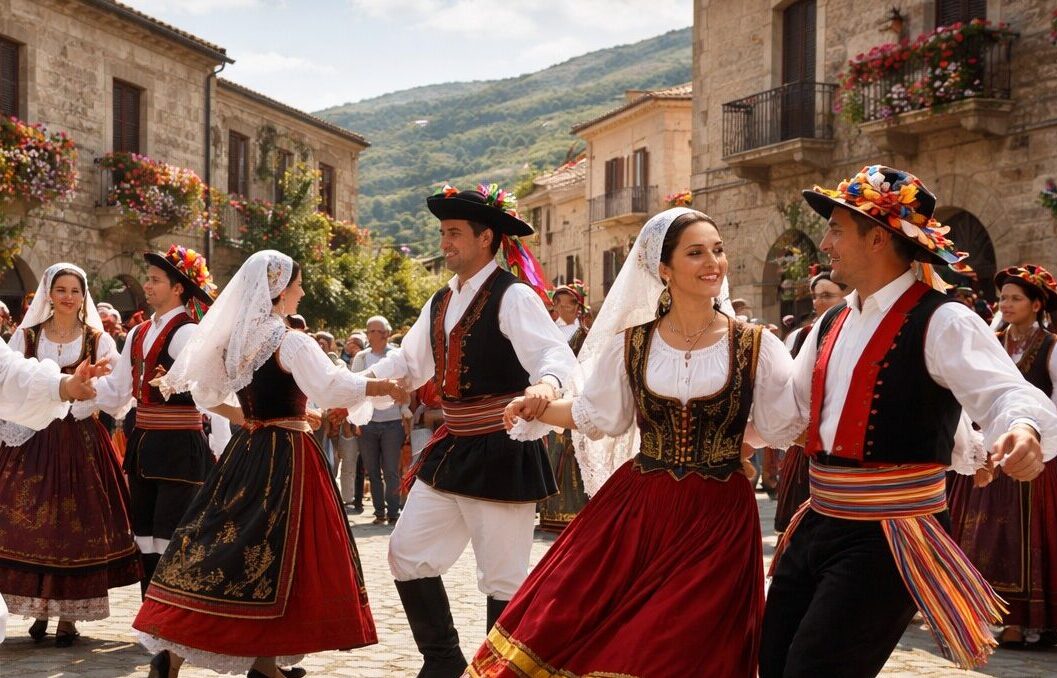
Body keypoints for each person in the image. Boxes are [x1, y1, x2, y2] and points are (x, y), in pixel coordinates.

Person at [464, 208, 800, 677]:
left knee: (682, 643)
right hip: (640, 511)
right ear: (664, 269)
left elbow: (785, 422)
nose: (713, 263)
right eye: (696, 252)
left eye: (718, 250)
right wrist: (536, 406)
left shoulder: (756, 345)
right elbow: (596, 415)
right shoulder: (634, 344)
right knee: (597, 628)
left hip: (718, 517)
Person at [760, 166, 1057, 676]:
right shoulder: (831, 321)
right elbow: (786, 411)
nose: (825, 244)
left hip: (891, 535)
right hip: (818, 520)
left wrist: (1024, 429)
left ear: (878, 238)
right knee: (772, 660)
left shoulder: (944, 320)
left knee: (814, 669)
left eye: (836, 230)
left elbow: (1007, 392)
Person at [133, 250, 405, 678]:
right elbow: (331, 386)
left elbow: (205, 395)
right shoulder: (288, 339)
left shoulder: (238, 340)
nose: (301, 292)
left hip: (248, 451)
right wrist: (382, 385)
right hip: (287, 458)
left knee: (236, 547)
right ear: (278, 289)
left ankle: (256, 664)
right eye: (297, 284)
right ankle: (230, 659)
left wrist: (253, 417)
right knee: (274, 552)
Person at [367, 183, 576, 677]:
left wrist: (545, 385)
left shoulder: (514, 295)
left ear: (487, 238)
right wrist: (357, 384)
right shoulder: (441, 300)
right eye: (443, 233)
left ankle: (496, 673)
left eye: (454, 233)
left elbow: (553, 354)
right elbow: (409, 363)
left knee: (502, 578)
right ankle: (443, 663)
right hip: (455, 448)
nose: (445, 243)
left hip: (504, 446)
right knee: (407, 553)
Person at [0, 264, 139, 646]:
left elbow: (115, 389)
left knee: (76, 525)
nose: (67, 296)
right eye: (60, 289)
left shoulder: (98, 339)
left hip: (81, 441)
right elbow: (11, 385)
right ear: (48, 293)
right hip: (33, 437)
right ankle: (41, 609)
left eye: (75, 290)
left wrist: (89, 396)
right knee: (31, 524)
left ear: (84, 296)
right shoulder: (26, 335)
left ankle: (68, 617)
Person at [94, 245, 219, 597]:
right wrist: (77, 388)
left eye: (155, 280)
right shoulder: (138, 333)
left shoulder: (189, 333)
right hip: (144, 444)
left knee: (171, 535)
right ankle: (150, 610)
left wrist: (223, 445)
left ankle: (171, 612)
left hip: (180, 448)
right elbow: (118, 391)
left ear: (178, 288)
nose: (147, 286)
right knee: (144, 535)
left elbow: (211, 392)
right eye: (147, 279)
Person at [949, 264, 1057, 648]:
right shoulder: (991, 342)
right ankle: (981, 615)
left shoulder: (1051, 346)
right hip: (987, 453)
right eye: (1003, 298)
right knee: (981, 535)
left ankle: (1025, 621)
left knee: (1023, 539)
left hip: (1034, 454)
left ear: (1036, 304)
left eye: (1015, 298)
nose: (1006, 304)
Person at [773, 269, 847, 532]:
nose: (818, 302)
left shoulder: (854, 331)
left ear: (845, 296)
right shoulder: (803, 335)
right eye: (816, 296)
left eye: (827, 295)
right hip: (806, 440)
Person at [538, 282, 591, 532]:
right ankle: (551, 510)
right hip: (552, 398)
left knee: (575, 452)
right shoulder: (549, 333)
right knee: (554, 452)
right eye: (559, 302)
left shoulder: (585, 335)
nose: (563, 307)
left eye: (569, 302)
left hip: (576, 398)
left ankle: (577, 511)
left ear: (577, 306)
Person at [351, 316, 404, 525]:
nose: (372, 334)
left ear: (386, 333)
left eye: (377, 330)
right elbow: (353, 389)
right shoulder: (361, 358)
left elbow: (406, 385)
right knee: (372, 471)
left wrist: (405, 413)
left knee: (391, 470)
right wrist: (355, 421)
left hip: (393, 422)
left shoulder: (396, 356)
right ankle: (379, 512)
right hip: (367, 423)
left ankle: (393, 512)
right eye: (370, 330)